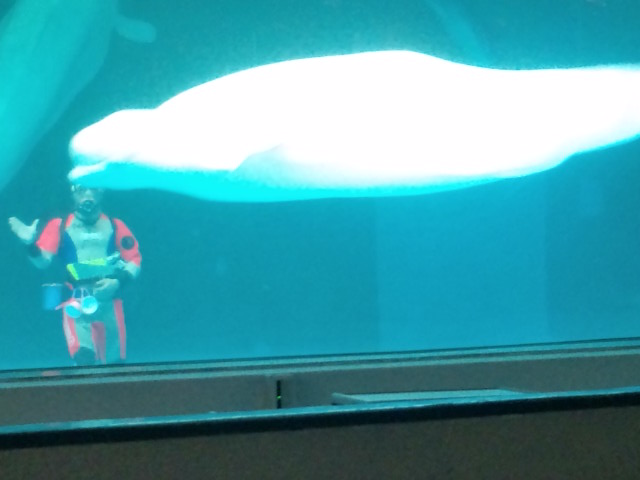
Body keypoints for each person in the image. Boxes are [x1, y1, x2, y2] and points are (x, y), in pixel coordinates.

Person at [8, 184, 141, 366]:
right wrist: (30, 245)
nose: (88, 195)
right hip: (76, 301)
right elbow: (43, 261)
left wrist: (118, 282)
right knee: (83, 357)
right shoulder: (60, 225)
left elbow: (134, 259)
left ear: (101, 191)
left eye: (93, 189)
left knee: (115, 362)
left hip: (109, 301)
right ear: (72, 192)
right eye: (81, 190)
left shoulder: (115, 225)